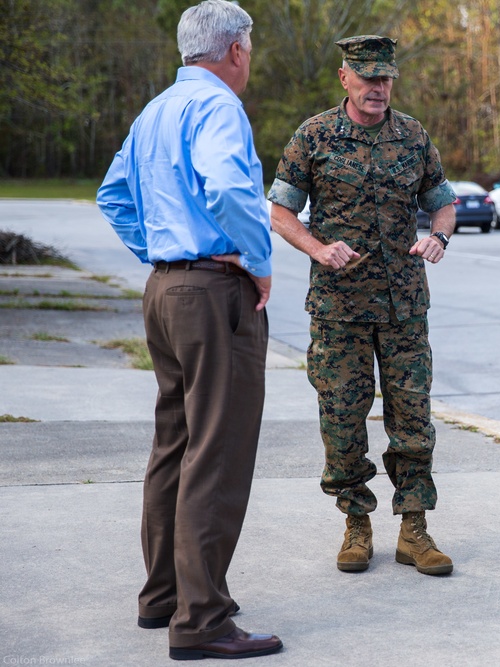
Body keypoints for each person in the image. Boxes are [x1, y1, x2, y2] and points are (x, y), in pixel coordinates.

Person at [96, 0, 282, 659]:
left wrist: (161, 251)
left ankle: (165, 594)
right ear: (235, 50)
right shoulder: (217, 107)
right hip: (214, 292)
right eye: (250, 49)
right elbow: (231, 186)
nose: (250, 59)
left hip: (166, 291)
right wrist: (256, 262)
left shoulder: (156, 111)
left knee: (175, 442)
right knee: (219, 447)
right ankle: (202, 618)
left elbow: (113, 195)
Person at [268, 35, 457, 576]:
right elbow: (280, 211)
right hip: (338, 310)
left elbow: (442, 203)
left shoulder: (413, 135)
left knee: (414, 420)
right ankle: (356, 521)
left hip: (404, 309)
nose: (378, 87)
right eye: (368, 76)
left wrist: (439, 239)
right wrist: (317, 247)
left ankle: (415, 528)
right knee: (343, 421)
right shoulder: (315, 135)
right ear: (344, 77)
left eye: (386, 77)